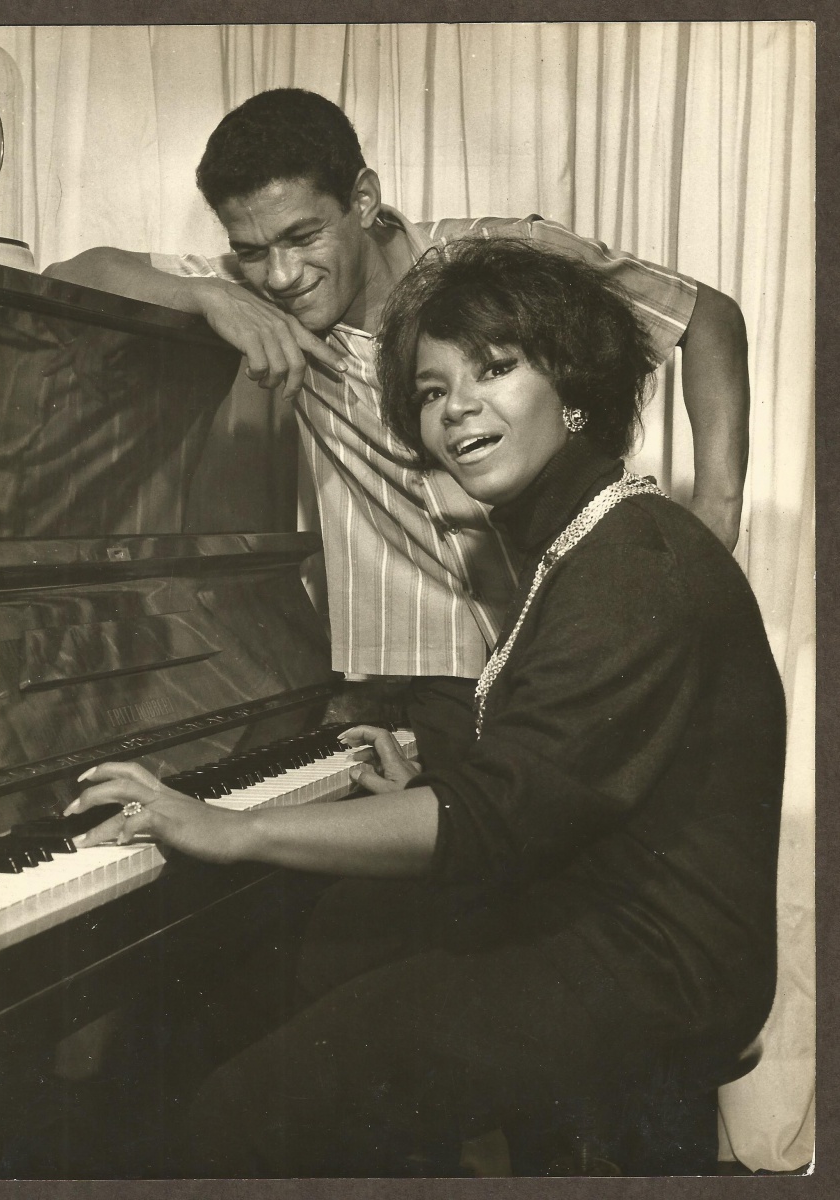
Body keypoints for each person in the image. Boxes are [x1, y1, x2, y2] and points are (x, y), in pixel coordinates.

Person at [65, 238, 784, 1178]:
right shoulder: (582, 541)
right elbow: (560, 780)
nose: (457, 409)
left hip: (653, 963)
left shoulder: (630, 562)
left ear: (573, 388)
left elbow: (492, 821)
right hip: (585, 913)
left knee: (244, 1110)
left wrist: (229, 826)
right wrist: (424, 785)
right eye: (432, 390)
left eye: (495, 368)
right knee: (307, 961)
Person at [45, 88, 751, 770]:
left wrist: (715, 513)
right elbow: (70, 274)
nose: (281, 275)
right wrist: (202, 295)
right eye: (252, 250)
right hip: (437, 673)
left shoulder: (500, 257)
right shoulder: (256, 293)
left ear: (362, 199)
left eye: (302, 237)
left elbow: (705, 315)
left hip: (580, 639)